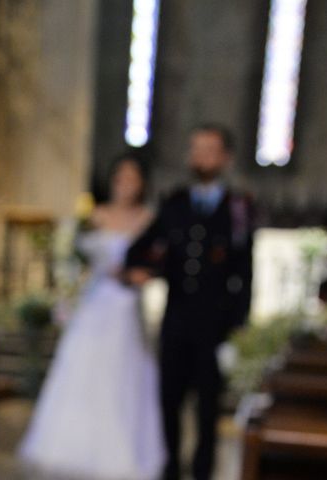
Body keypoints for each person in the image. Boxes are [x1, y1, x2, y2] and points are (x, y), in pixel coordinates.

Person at [19, 154, 166, 480]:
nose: (126, 184)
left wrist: (134, 275)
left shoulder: (148, 220)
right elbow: (75, 259)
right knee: (83, 371)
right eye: (120, 177)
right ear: (112, 180)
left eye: (133, 178)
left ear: (141, 183)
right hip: (97, 303)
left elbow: (157, 265)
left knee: (122, 377)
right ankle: (75, 446)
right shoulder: (94, 217)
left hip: (127, 306)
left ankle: (119, 451)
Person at [125, 124, 254, 480]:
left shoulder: (238, 207)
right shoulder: (175, 203)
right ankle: (168, 469)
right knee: (169, 402)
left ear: (225, 157)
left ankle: (202, 472)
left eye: (209, 149)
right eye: (196, 148)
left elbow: (244, 271)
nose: (201, 156)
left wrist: (239, 326)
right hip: (176, 320)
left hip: (215, 325)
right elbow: (142, 249)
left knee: (208, 408)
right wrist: (145, 269)